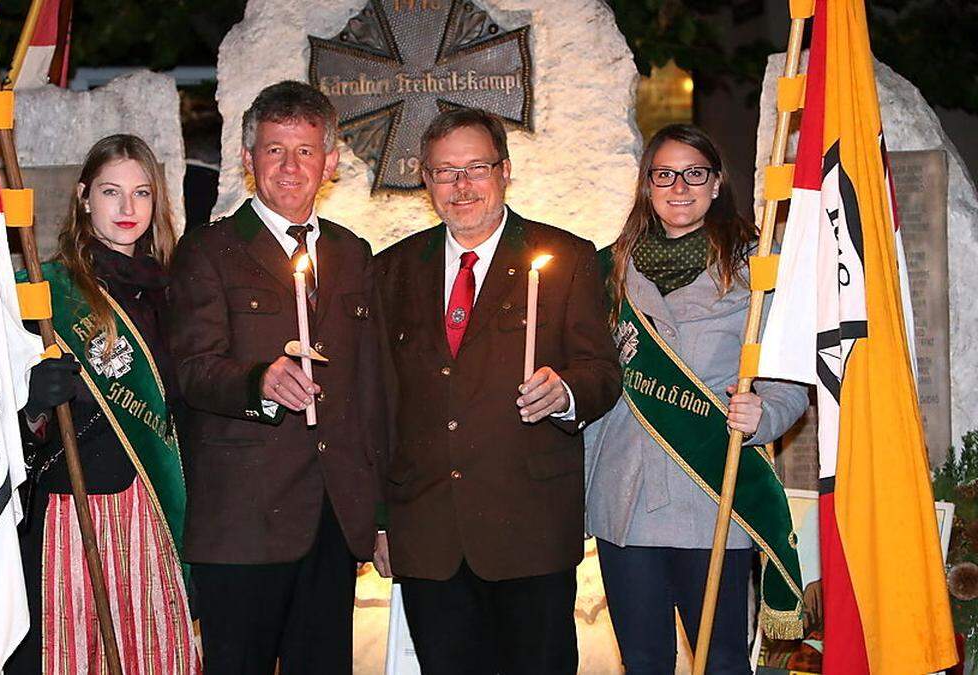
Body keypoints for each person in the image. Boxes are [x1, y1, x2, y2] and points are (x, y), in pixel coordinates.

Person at [372, 107, 621, 675]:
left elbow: (601, 372)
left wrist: (565, 392)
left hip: (528, 528)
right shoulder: (390, 271)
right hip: (428, 532)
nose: (461, 186)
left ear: (505, 171)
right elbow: (378, 406)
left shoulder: (568, 260)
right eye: (444, 171)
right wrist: (381, 519)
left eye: (476, 168)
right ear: (425, 179)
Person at [168, 81, 385, 675]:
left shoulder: (352, 253)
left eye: (306, 151)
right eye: (274, 150)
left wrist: (379, 511)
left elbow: (369, 388)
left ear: (330, 162)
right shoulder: (208, 252)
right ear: (247, 160)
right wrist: (258, 382)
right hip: (243, 521)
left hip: (332, 519)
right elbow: (191, 370)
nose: (291, 167)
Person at [584, 123, 808, 673]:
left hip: (712, 487)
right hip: (626, 492)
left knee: (723, 658)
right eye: (664, 174)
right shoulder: (607, 267)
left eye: (694, 173)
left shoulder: (758, 267)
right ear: (647, 184)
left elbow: (788, 377)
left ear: (716, 183)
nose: (679, 186)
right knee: (643, 659)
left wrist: (765, 414)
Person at [5, 134, 199, 675]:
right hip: (76, 504)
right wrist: (32, 401)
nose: (127, 209)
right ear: (84, 198)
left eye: (141, 193)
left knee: (159, 655)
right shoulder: (44, 294)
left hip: (158, 505)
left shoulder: (176, 290)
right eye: (112, 192)